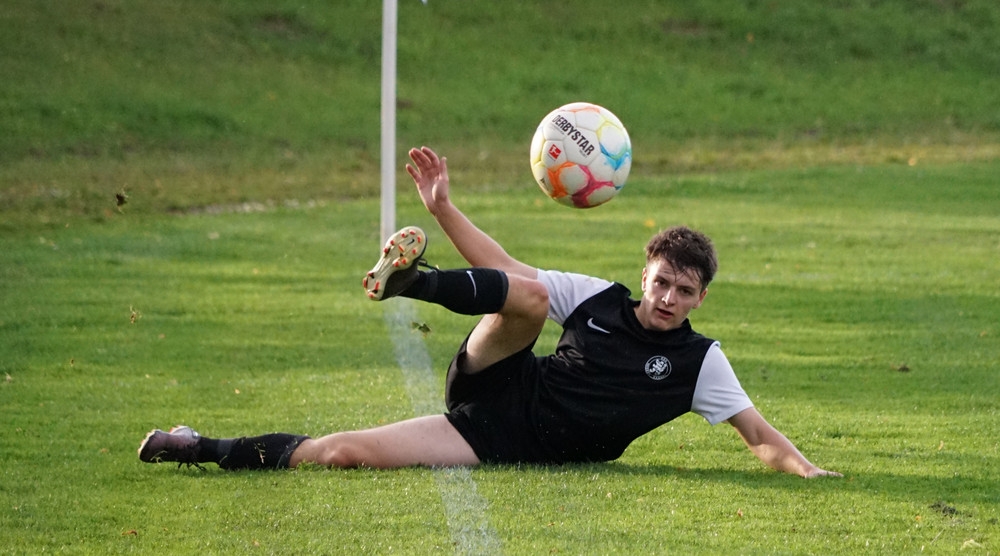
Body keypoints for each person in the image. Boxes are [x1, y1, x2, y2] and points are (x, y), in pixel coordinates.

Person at [139, 146, 841, 478]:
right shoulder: (598, 298)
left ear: (701, 298)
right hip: (498, 378)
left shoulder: (699, 362)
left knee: (342, 452)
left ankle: (194, 445)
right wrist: (444, 209)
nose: (667, 299)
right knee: (530, 295)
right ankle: (413, 284)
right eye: (661, 283)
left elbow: (759, 435)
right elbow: (504, 271)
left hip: (494, 435)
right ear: (644, 276)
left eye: (684, 292)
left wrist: (811, 474)